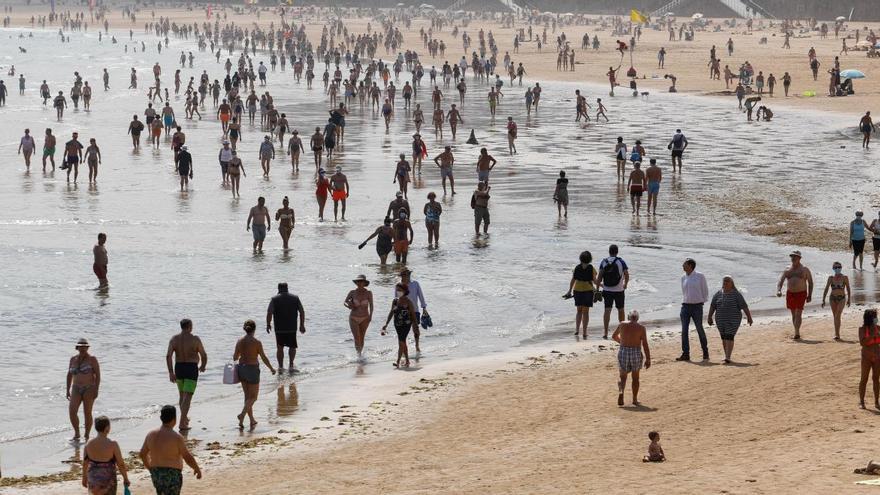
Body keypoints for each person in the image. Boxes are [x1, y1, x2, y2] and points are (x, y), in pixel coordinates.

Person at [139, 405, 202, 495]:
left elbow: (142, 454)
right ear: (174, 419)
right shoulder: (176, 437)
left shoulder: (151, 434)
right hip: (172, 474)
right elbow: (187, 457)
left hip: (156, 474)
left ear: (161, 418)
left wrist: (150, 468)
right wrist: (196, 468)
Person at [234, 320, 277, 429]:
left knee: (247, 397)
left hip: (241, 369)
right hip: (252, 370)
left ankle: (251, 420)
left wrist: (242, 354)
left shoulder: (239, 341)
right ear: (254, 329)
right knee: (253, 397)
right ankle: (242, 414)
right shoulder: (256, 342)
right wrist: (271, 368)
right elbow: (263, 357)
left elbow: (235, 357)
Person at [165, 318, 206, 432]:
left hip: (179, 368)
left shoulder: (174, 339)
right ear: (190, 326)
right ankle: (182, 423)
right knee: (188, 396)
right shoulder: (195, 339)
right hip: (191, 369)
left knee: (182, 395)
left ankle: (184, 419)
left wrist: (171, 372)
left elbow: (168, 356)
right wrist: (203, 366)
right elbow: (203, 354)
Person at [707, 276, 753, 364]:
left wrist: (749, 317)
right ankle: (726, 356)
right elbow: (713, 306)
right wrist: (709, 317)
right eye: (724, 281)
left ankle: (728, 357)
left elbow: (744, 306)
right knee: (724, 337)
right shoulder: (718, 294)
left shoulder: (736, 294)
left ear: (732, 283)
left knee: (729, 336)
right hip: (720, 319)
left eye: (727, 281)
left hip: (733, 319)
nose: (725, 283)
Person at [612, 310, 651, 406]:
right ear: (637, 318)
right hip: (636, 352)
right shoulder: (641, 328)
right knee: (635, 378)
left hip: (623, 351)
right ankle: (634, 399)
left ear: (628, 317)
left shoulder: (622, 324)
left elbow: (614, 336)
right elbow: (645, 344)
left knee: (623, 377)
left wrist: (622, 343)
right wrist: (648, 358)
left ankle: (621, 393)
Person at [82, 416, 130, 494]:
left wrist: (84, 478)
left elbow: (85, 463)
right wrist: (125, 478)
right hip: (108, 481)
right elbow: (120, 464)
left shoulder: (88, 444)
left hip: (93, 479)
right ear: (107, 428)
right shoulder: (113, 444)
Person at [266, 282, 306, 371]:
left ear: (278, 289)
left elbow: (269, 312)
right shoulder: (295, 298)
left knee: (280, 347)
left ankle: (280, 367)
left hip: (279, 328)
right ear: (287, 288)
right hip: (292, 327)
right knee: (292, 346)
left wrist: (268, 324)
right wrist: (302, 325)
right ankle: (291, 365)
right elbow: (302, 311)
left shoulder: (274, 299)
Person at [67, 338, 100, 441]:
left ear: (87, 347)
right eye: (81, 346)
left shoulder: (92, 359)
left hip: (89, 387)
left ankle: (86, 435)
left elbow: (98, 376)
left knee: (87, 412)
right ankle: (77, 433)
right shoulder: (73, 359)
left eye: (85, 346)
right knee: (72, 411)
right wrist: (67, 389)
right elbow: (69, 374)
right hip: (76, 388)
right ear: (77, 347)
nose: (83, 348)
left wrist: (96, 389)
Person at [777, 250, 813, 340]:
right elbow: (780, 281)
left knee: (798, 313)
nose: (793, 258)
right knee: (793, 314)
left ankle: (797, 332)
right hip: (790, 294)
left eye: (795, 256)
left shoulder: (804, 269)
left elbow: (810, 282)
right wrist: (779, 290)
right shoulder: (787, 269)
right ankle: (796, 331)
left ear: (799, 258)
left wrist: (810, 295)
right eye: (792, 256)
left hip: (801, 293)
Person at [678, 258, 710, 362]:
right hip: (685, 306)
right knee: (684, 331)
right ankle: (685, 354)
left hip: (697, 306)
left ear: (690, 266)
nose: (683, 265)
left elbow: (705, 290)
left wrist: (701, 302)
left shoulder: (700, 276)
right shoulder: (683, 277)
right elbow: (684, 292)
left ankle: (705, 352)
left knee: (699, 329)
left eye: (684, 264)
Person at [381, 283, 419, 368]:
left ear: (405, 291)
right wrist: (386, 324)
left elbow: (413, 315)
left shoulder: (408, 302)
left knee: (401, 341)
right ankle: (407, 361)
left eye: (400, 290)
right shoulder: (395, 301)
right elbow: (391, 312)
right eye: (397, 290)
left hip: (406, 324)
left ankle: (398, 361)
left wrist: (415, 326)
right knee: (402, 342)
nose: (398, 292)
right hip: (397, 324)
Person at [597, 244, 630, 339]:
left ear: (609, 251)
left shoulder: (604, 261)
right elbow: (627, 274)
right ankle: (622, 331)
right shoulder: (621, 262)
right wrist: (625, 284)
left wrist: (597, 289)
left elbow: (599, 277)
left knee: (607, 310)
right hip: (619, 290)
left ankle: (605, 332)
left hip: (607, 290)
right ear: (617, 252)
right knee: (621, 310)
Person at [565, 251, 598, 338]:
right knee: (586, 313)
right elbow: (594, 281)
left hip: (577, 291)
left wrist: (569, 291)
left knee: (579, 311)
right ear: (590, 259)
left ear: (580, 258)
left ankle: (576, 330)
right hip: (588, 291)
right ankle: (584, 332)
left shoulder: (577, 267)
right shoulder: (592, 268)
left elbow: (573, 280)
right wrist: (602, 286)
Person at [398, 269, 428, 352]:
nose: (406, 276)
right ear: (401, 276)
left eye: (407, 275)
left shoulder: (415, 284)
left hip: (415, 310)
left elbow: (420, 295)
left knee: (416, 329)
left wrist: (424, 307)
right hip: (403, 312)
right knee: (403, 331)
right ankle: (404, 348)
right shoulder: (399, 286)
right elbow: (397, 299)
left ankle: (417, 345)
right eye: (404, 275)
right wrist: (395, 311)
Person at [345, 275, 374, 358]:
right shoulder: (352, 292)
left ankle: (360, 354)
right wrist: (349, 305)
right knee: (356, 337)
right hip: (353, 317)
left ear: (365, 283)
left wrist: (371, 315)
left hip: (365, 317)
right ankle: (358, 355)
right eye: (358, 281)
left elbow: (371, 305)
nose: (359, 283)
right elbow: (345, 302)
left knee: (362, 336)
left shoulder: (368, 293)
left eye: (361, 281)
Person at [821, 262, 851, 340]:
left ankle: (837, 334)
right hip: (832, 298)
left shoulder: (845, 277)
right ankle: (837, 333)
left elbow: (848, 288)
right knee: (835, 316)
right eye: (836, 267)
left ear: (841, 268)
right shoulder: (831, 278)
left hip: (842, 298)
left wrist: (849, 299)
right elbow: (826, 288)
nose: (837, 268)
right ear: (833, 268)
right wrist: (823, 299)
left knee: (838, 315)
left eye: (839, 267)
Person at [859, 309, 880, 410]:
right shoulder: (862, 329)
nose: (876, 319)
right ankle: (862, 401)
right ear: (870, 318)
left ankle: (876, 401)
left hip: (877, 356)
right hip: (866, 357)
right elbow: (862, 343)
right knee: (864, 379)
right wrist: (872, 335)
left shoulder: (878, 328)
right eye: (875, 316)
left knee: (876, 378)